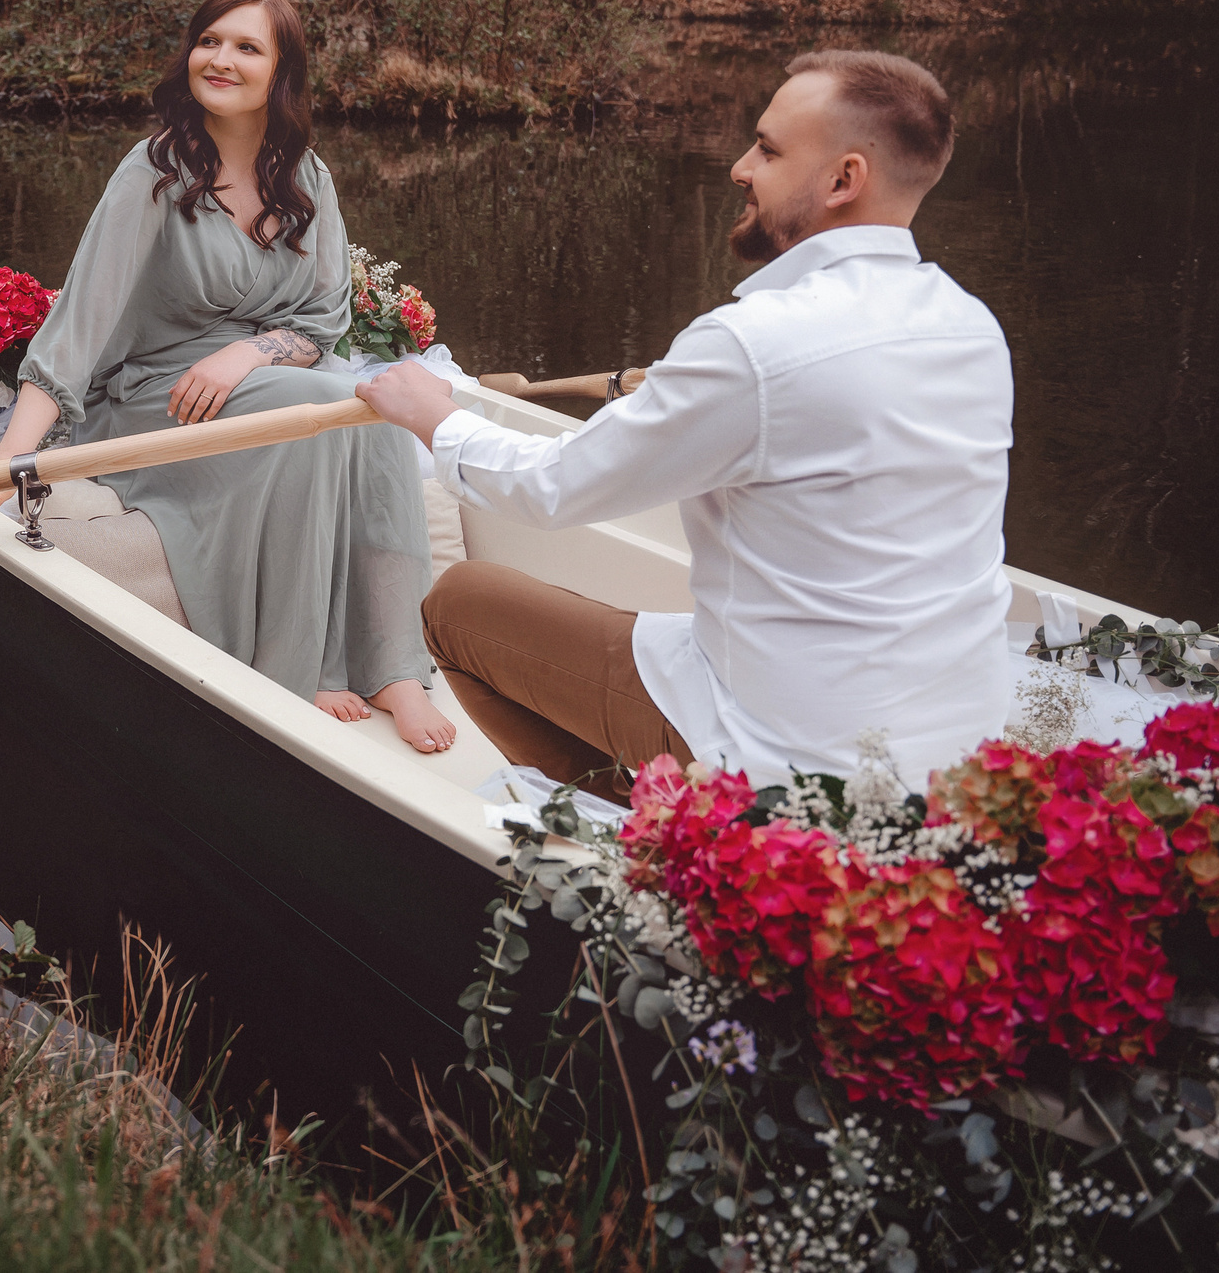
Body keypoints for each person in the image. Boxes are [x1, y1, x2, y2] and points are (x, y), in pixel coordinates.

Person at [355, 50, 1013, 796]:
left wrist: (437, 417)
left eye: (766, 148)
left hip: (784, 750)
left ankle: (635, 813)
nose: (739, 167)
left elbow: (555, 486)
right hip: (952, 735)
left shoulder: (758, 342)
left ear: (842, 180)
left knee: (459, 603)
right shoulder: (972, 326)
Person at [0, 0, 457, 753]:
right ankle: (298, 663)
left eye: (248, 47)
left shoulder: (308, 179)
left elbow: (322, 321)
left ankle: (393, 666)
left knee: (368, 401)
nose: (222, 59)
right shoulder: (154, 172)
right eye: (210, 40)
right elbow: (82, 323)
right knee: (311, 399)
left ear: (282, 73)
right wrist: (10, 458)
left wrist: (246, 350)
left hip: (257, 379)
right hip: (155, 395)